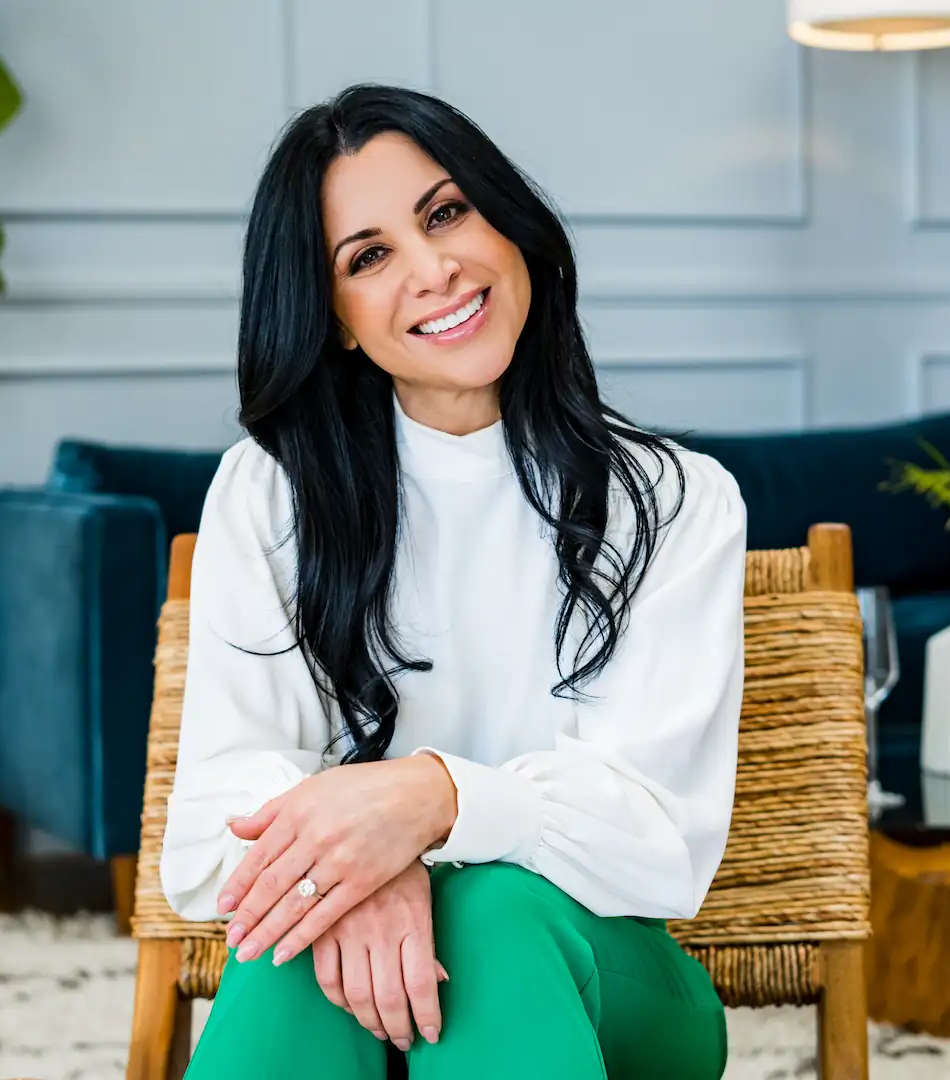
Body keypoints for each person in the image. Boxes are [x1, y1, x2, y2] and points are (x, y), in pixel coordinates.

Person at [159, 83, 746, 1080]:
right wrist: (367, 862)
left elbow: (657, 839)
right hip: (347, 980)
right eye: (370, 255)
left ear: (508, 225)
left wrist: (431, 808)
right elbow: (213, 829)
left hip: (620, 988)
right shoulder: (268, 494)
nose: (434, 269)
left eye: (446, 213)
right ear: (335, 316)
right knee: (290, 946)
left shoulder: (678, 499)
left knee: (493, 915)